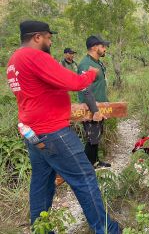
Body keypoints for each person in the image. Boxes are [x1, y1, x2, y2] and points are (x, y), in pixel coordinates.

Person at [6, 20, 121, 233]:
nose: (50, 42)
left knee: (41, 183)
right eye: (48, 38)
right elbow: (74, 83)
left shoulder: (14, 60)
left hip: (32, 133)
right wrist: (90, 75)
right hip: (53, 132)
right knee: (85, 176)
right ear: (37, 37)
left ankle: (40, 229)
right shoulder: (35, 56)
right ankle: (106, 229)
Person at [78, 35, 111, 168]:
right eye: (102, 46)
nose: (105, 49)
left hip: (100, 106)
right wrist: (95, 110)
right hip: (90, 107)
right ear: (94, 47)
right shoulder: (85, 64)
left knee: (97, 136)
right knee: (92, 138)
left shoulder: (97, 63)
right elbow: (86, 90)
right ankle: (86, 167)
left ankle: (95, 162)